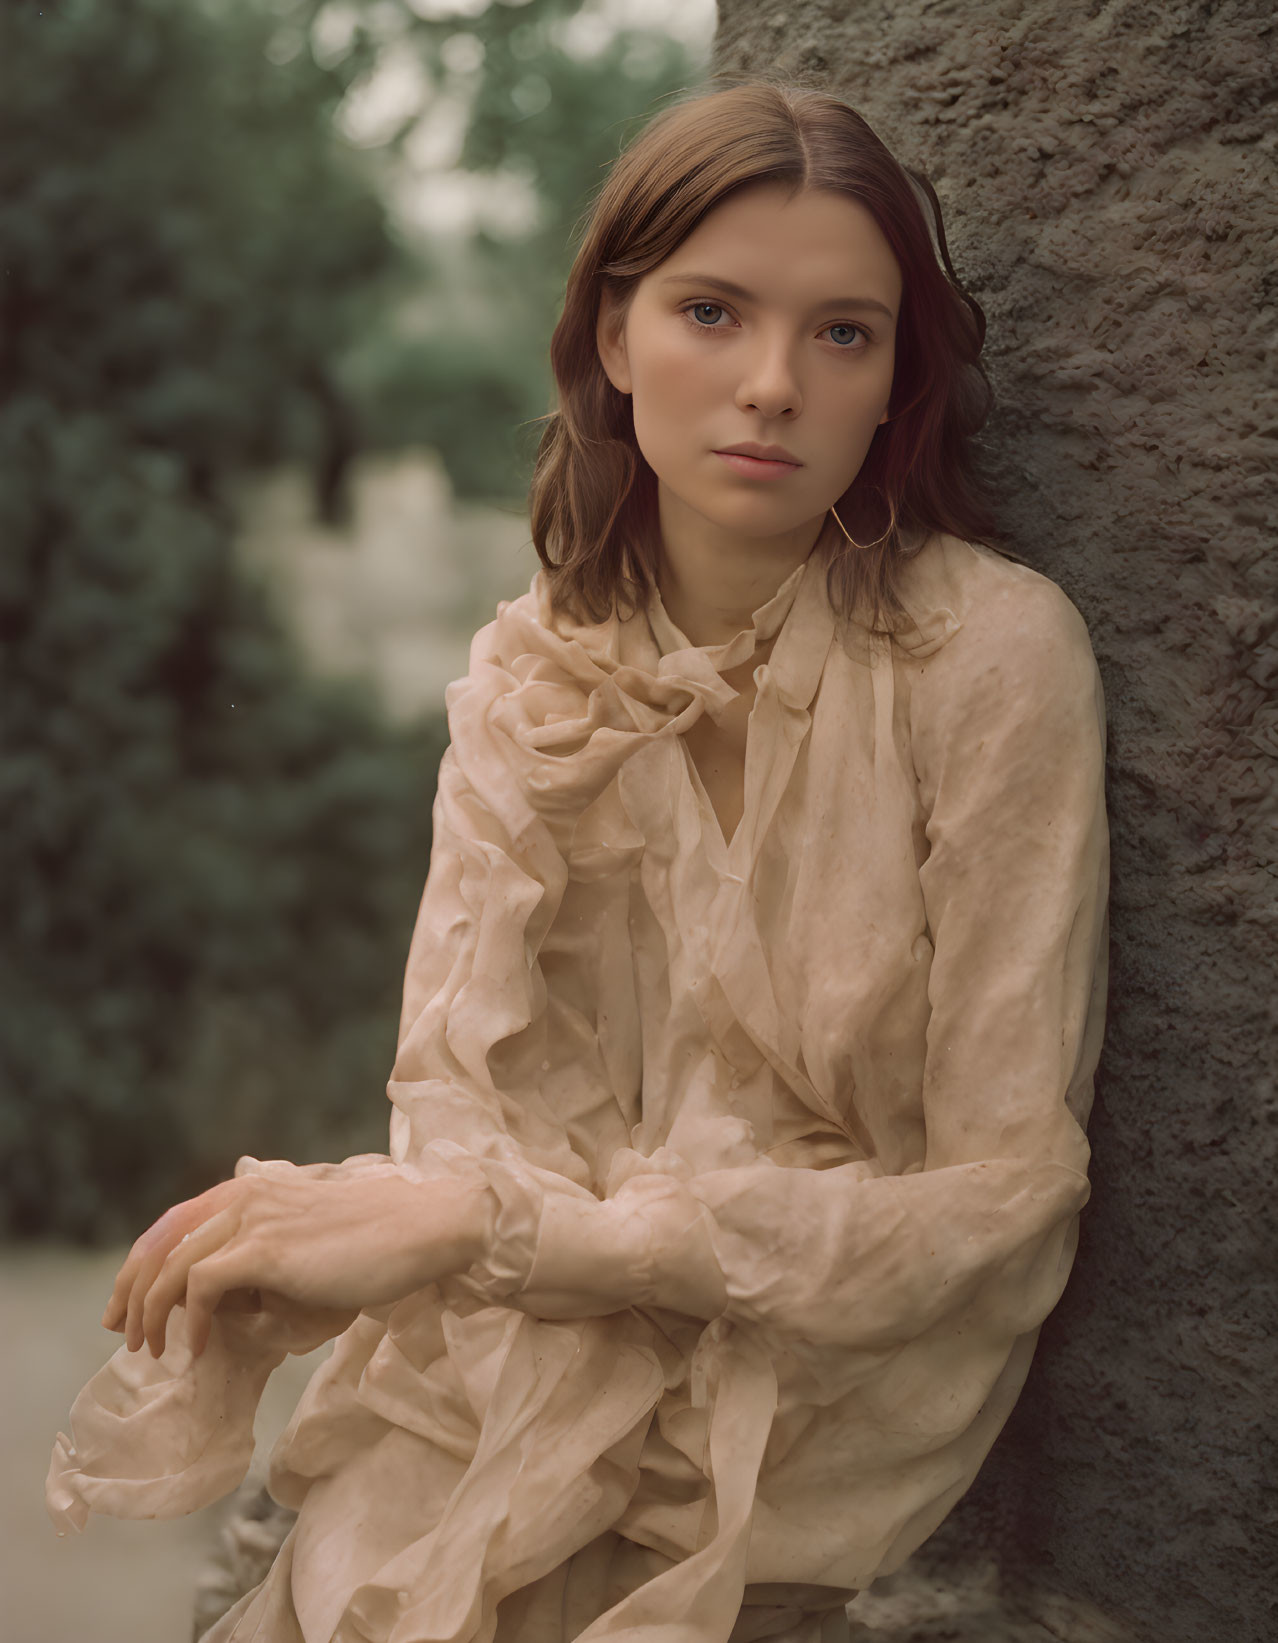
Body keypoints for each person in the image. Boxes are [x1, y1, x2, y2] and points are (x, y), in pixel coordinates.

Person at [47, 77, 1110, 1643]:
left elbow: (1004, 1198)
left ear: (895, 381)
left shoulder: (993, 657)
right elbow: (458, 1099)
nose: (769, 383)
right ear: (611, 340)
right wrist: (407, 1220)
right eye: (709, 311)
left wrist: (512, 1234)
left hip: (817, 1386)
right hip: (520, 1344)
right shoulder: (529, 676)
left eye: (840, 333)